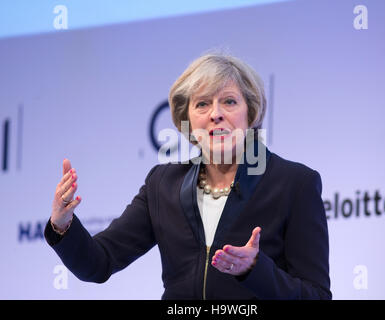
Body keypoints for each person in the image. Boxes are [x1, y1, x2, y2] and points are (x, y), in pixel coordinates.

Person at [45, 53, 331, 300]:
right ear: (188, 120)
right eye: (202, 104)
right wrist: (62, 226)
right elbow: (99, 263)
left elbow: (316, 295)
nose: (215, 114)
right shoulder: (162, 184)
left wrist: (256, 269)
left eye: (229, 102)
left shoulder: (294, 183)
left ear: (251, 113)